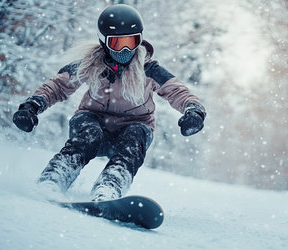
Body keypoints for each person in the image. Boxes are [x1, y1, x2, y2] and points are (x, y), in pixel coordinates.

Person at [12, 4, 206, 201]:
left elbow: (178, 91)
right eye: (117, 43)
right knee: (90, 134)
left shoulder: (149, 70)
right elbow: (58, 86)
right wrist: (32, 106)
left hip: (133, 125)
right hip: (92, 119)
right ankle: (54, 178)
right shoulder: (90, 64)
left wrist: (194, 111)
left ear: (139, 40)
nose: (125, 49)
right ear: (104, 42)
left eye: (131, 42)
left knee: (135, 137)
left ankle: (109, 187)